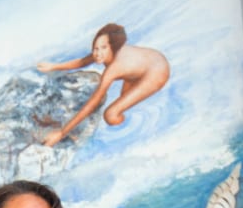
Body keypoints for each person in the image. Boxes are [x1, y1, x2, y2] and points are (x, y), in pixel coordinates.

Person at [38, 23, 169, 147]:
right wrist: (53, 66)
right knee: (123, 99)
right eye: (95, 48)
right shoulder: (103, 54)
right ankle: (132, 84)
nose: (97, 53)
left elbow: (93, 102)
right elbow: (83, 61)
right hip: (141, 67)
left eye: (103, 48)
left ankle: (133, 129)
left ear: (113, 47)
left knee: (111, 115)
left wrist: (61, 133)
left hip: (156, 71)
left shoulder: (113, 69)